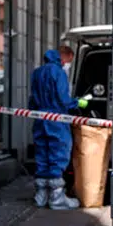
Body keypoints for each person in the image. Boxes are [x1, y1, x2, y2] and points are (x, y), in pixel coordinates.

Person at [28, 44, 80, 210]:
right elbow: (63, 99)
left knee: (42, 154)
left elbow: (32, 100)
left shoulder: (37, 73)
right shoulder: (59, 73)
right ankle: (57, 197)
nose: (67, 64)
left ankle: (41, 196)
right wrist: (77, 102)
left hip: (40, 119)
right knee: (58, 153)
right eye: (68, 61)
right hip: (56, 119)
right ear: (63, 57)